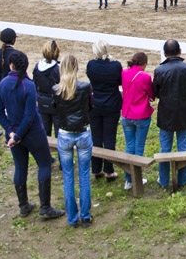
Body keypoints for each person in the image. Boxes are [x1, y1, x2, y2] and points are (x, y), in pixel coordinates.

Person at [0, 51, 64, 220]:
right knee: (44, 164)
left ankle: (24, 206)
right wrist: (16, 135)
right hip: (32, 133)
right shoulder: (28, 85)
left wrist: (11, 131)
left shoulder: (3, 84)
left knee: (20, 167)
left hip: (14, 134)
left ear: (11, 65)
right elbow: (29, 115)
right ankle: (45, 207)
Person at [52, 54, 94, 227]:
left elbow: (56, 111)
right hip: (82, 132)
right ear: (76, 68)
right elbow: (90, 107)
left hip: (65, 134)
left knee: (68, 176)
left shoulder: (57, 89)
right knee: (84, 175)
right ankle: (84, 215)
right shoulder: (84, 87)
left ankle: (72, 217)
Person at [153, 39, 186, 188]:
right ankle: (183, 178)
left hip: (166, 113)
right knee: (184, 146)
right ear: (180, 51)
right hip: (185, 111)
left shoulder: (159, 70)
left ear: (165, 54)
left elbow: (156, 92)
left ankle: (164, 180)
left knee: (165, 147)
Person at [85, 40, 123, 181]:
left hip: (95, 104)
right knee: (109, 137)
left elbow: (90, 78)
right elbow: (119, 81)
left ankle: (96, 168)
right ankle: (108, 170)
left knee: (96, 137)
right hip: (111, 104)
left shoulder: (91, 65)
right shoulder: (115, 66)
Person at [121, 52, 154, 191]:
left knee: (129, 146)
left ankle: (128, 180)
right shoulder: (145, 77)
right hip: (141, 115)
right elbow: (151, 96)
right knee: (139, 147)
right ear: (144, 63)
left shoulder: (124, 73)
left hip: (127, 114)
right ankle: (137, 179)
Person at [32, 40, 61, 138]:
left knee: (44, 132)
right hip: (56, 103)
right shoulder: (58, 68)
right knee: (59, 132)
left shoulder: (37, 67)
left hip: (42, 101)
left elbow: (34, 84)